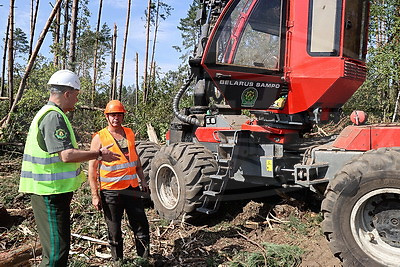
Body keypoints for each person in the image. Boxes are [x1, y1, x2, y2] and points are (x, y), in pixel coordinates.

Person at [19, 69, 120, 267]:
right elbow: (66, 155)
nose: (76, 100)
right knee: (56, 254)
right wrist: (99, 154)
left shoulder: (54, 115)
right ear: (67, 94)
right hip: (49, 194)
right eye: (75, 95)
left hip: (54, 193)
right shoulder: (52, 117)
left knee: (59, 249)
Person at [88, 100, 150, 261]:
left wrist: (142, 179)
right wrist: (95, 195)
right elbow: (92, 170)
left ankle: (143, 259)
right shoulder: (99, 137)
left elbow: (135, 159)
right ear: (107, 117)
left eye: (119, 115)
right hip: (110, 192)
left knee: (141, 226)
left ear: (123, 116)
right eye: (112, 115)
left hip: (132, 188)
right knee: (114, 231)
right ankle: (118, 261)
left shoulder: (129, 133)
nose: (116, 118)